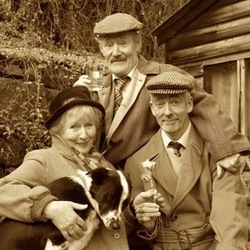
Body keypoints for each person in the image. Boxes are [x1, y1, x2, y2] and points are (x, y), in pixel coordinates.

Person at [74, 13, 250, 176]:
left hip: (146, 177)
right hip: (98, 176)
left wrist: (226, 149)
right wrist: (74, 98)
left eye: (122, 43)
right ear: (101, 50)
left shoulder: (164, 75)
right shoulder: (96, 82)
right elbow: (71, 128)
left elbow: (204, 104)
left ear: (137, 44)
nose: (115, 52)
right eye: (109, 46)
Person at [123, 71, 249, 250]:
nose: (167, 112)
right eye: (160, 104)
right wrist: (148, 226)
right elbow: (135, 235)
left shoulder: (220, 156)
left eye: (175, 102)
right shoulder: (136, 161)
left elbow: (231, 225)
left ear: (189, 104)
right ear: (152, 108)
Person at [0, 86, 129, 250]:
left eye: (89, 125)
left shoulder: (105, 166)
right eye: (74, 127)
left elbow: (112, 229)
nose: (84, 135)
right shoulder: (44, 160)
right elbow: (3, 190)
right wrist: (49, 207)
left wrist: (133, 213)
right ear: (58, 131)